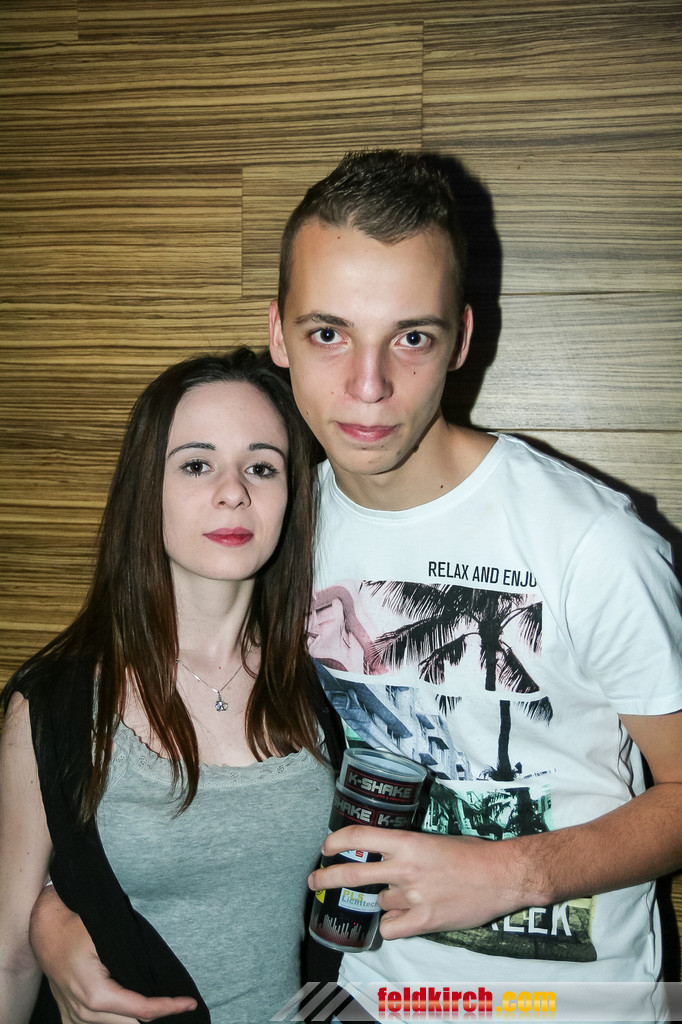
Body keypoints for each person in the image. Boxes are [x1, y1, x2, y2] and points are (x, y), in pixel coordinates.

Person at [29, 150, 682, 1022]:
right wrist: (55, 907)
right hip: (350, 1000)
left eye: (411, 337)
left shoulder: (591, 543)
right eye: (328, 334)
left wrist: (514, 872)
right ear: (279, 335)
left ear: (462, 339)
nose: (368, 388)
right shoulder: (271, 526)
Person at [0, 348, 343, 1024]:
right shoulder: (55, 706)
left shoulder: (325, 686)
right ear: (146, 489)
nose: (233, 491)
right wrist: (47, 915)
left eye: (261, 467)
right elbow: (8, 954)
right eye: (195, 464)